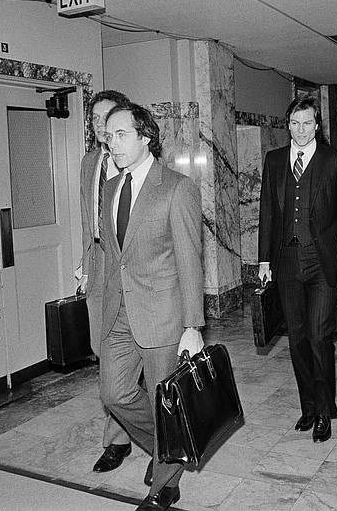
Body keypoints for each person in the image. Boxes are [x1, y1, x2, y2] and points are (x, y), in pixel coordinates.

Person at [99, 103, 204, 511]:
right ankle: (169, 448)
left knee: (166, 400)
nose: (112, 143)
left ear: (145, 137)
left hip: (163, 314)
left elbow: (189, 260)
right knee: (114, 393)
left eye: (121, 134)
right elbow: (114, 256)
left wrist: (192, 325)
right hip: (119, 312)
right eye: (108, 136)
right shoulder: (111, 187)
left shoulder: (177, 187)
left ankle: (165, 485)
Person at [258, 93, 337, 443]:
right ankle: (308, 406)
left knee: (319, 336)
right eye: (295, 124)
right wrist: (264, 260)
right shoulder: (274, 160)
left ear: (317, 125)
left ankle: (325, 410)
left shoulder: (335, 160)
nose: (300, 130)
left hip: (323, 262)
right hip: (286, 262)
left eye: (307, 123)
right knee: (296, 338)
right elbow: (268, 212)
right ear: (288, 125)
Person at [78, 90, 136, 475]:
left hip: (128, 263)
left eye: (107, 118)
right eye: (95, 120)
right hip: (99, 263)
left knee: (136, 349)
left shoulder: (132, 160)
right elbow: (86, 219)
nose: (101, 126)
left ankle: (118, 439)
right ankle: (130, 417)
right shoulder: (89, 163)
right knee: (103, 350)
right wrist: (85, 267)